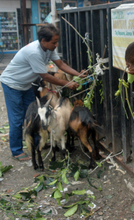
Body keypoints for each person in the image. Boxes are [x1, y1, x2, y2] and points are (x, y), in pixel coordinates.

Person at [0, 24, 86, 161]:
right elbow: (45, 76)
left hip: (25, 85)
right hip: (12, 85)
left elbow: (61, 65)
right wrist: (68, 83)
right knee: (17, 118)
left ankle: (37, 142)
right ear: (43, 41)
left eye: (57, 41)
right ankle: (16, 151)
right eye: (54, 42)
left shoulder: (48, 48)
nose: (56, 45)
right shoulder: (34, 52)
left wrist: (78, 75)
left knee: (35, 115)